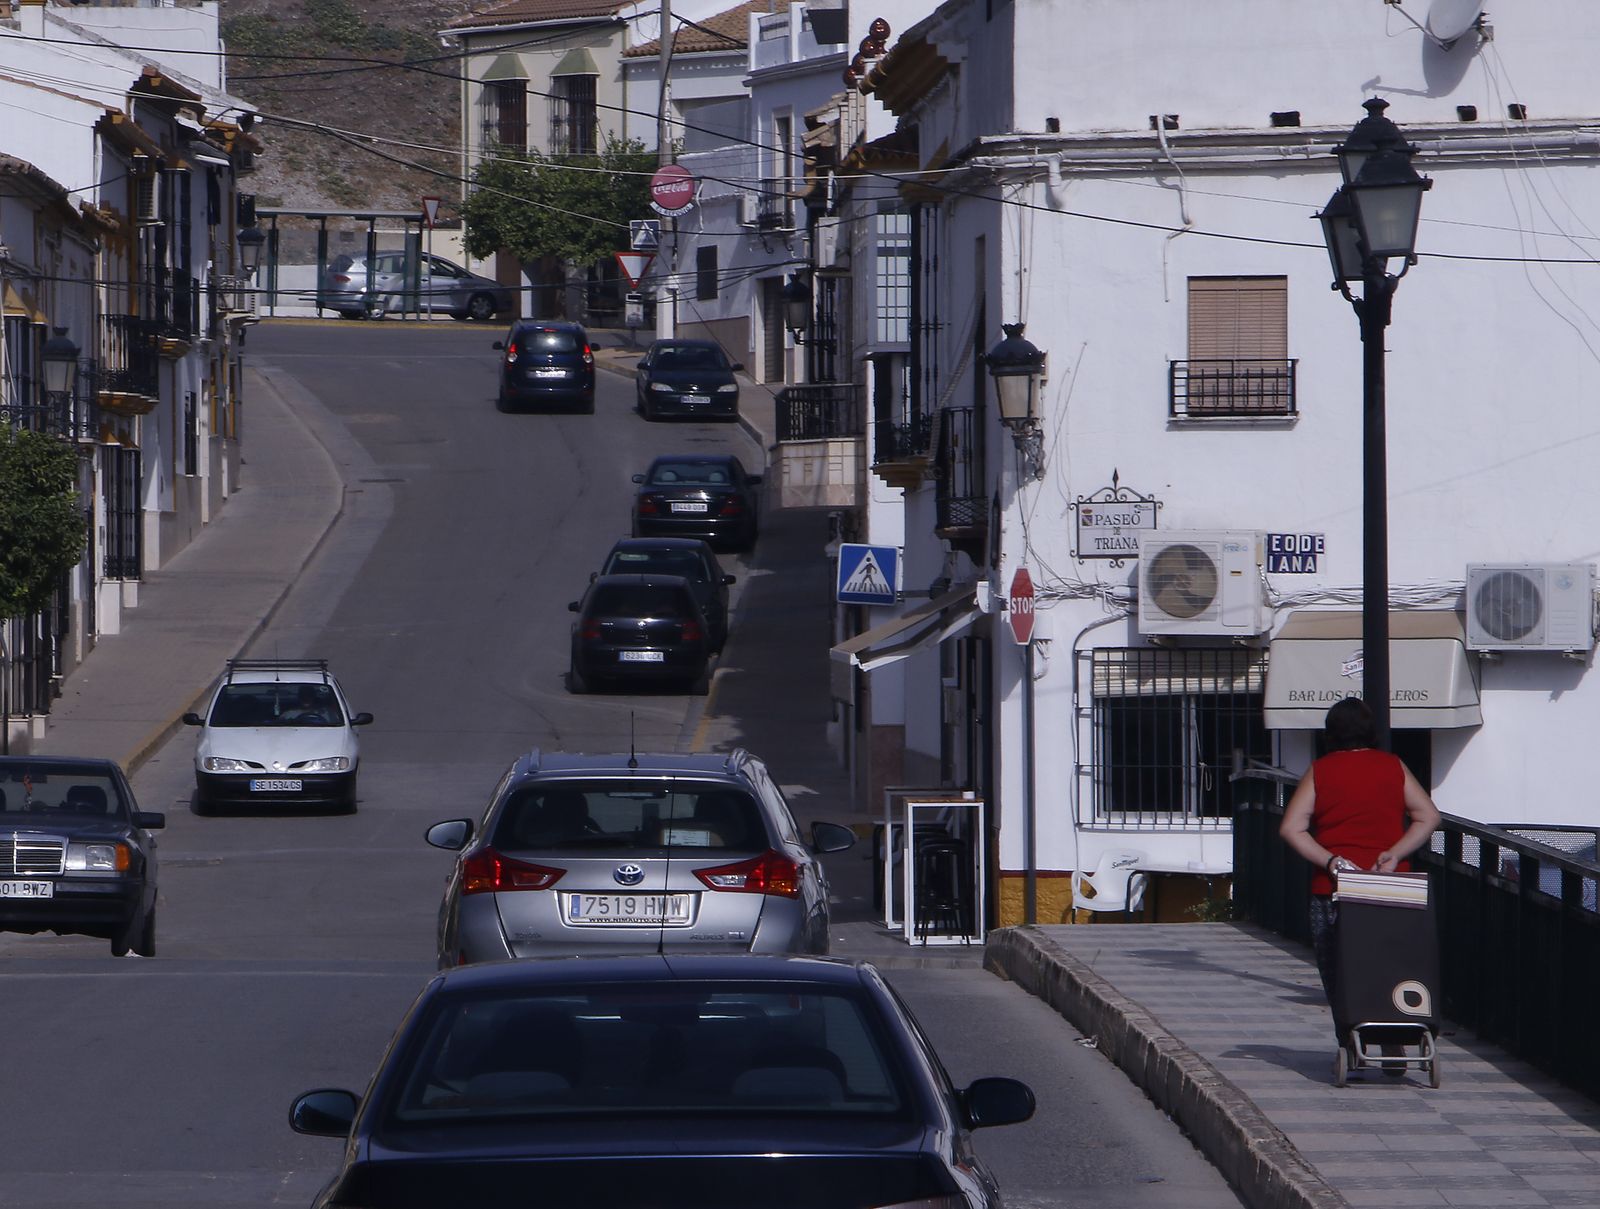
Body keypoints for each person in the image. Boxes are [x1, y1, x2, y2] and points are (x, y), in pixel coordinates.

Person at [1279, 696, 1441, 1053]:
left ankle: (1351, 1041)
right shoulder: (1393, 766)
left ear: (1330, 734)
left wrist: (1331, 861)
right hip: (1390, 887)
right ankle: (1396, 1034)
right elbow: (1428, 816)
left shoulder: (1321, 771)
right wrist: (1395, 852)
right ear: (1371, 731)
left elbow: (1292, 828)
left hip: (1334, 887)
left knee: (1340, 969)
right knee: (1392, 962)